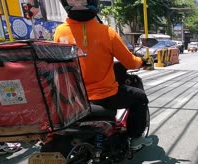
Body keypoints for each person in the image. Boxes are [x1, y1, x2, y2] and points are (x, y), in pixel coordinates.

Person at [55, 0, 152, 150]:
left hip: (74, 97)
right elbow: (131, 63)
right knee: (139, 98)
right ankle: (136, 138)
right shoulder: (107, 32)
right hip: (105, 96)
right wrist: (142, 62)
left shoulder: (60, 32)